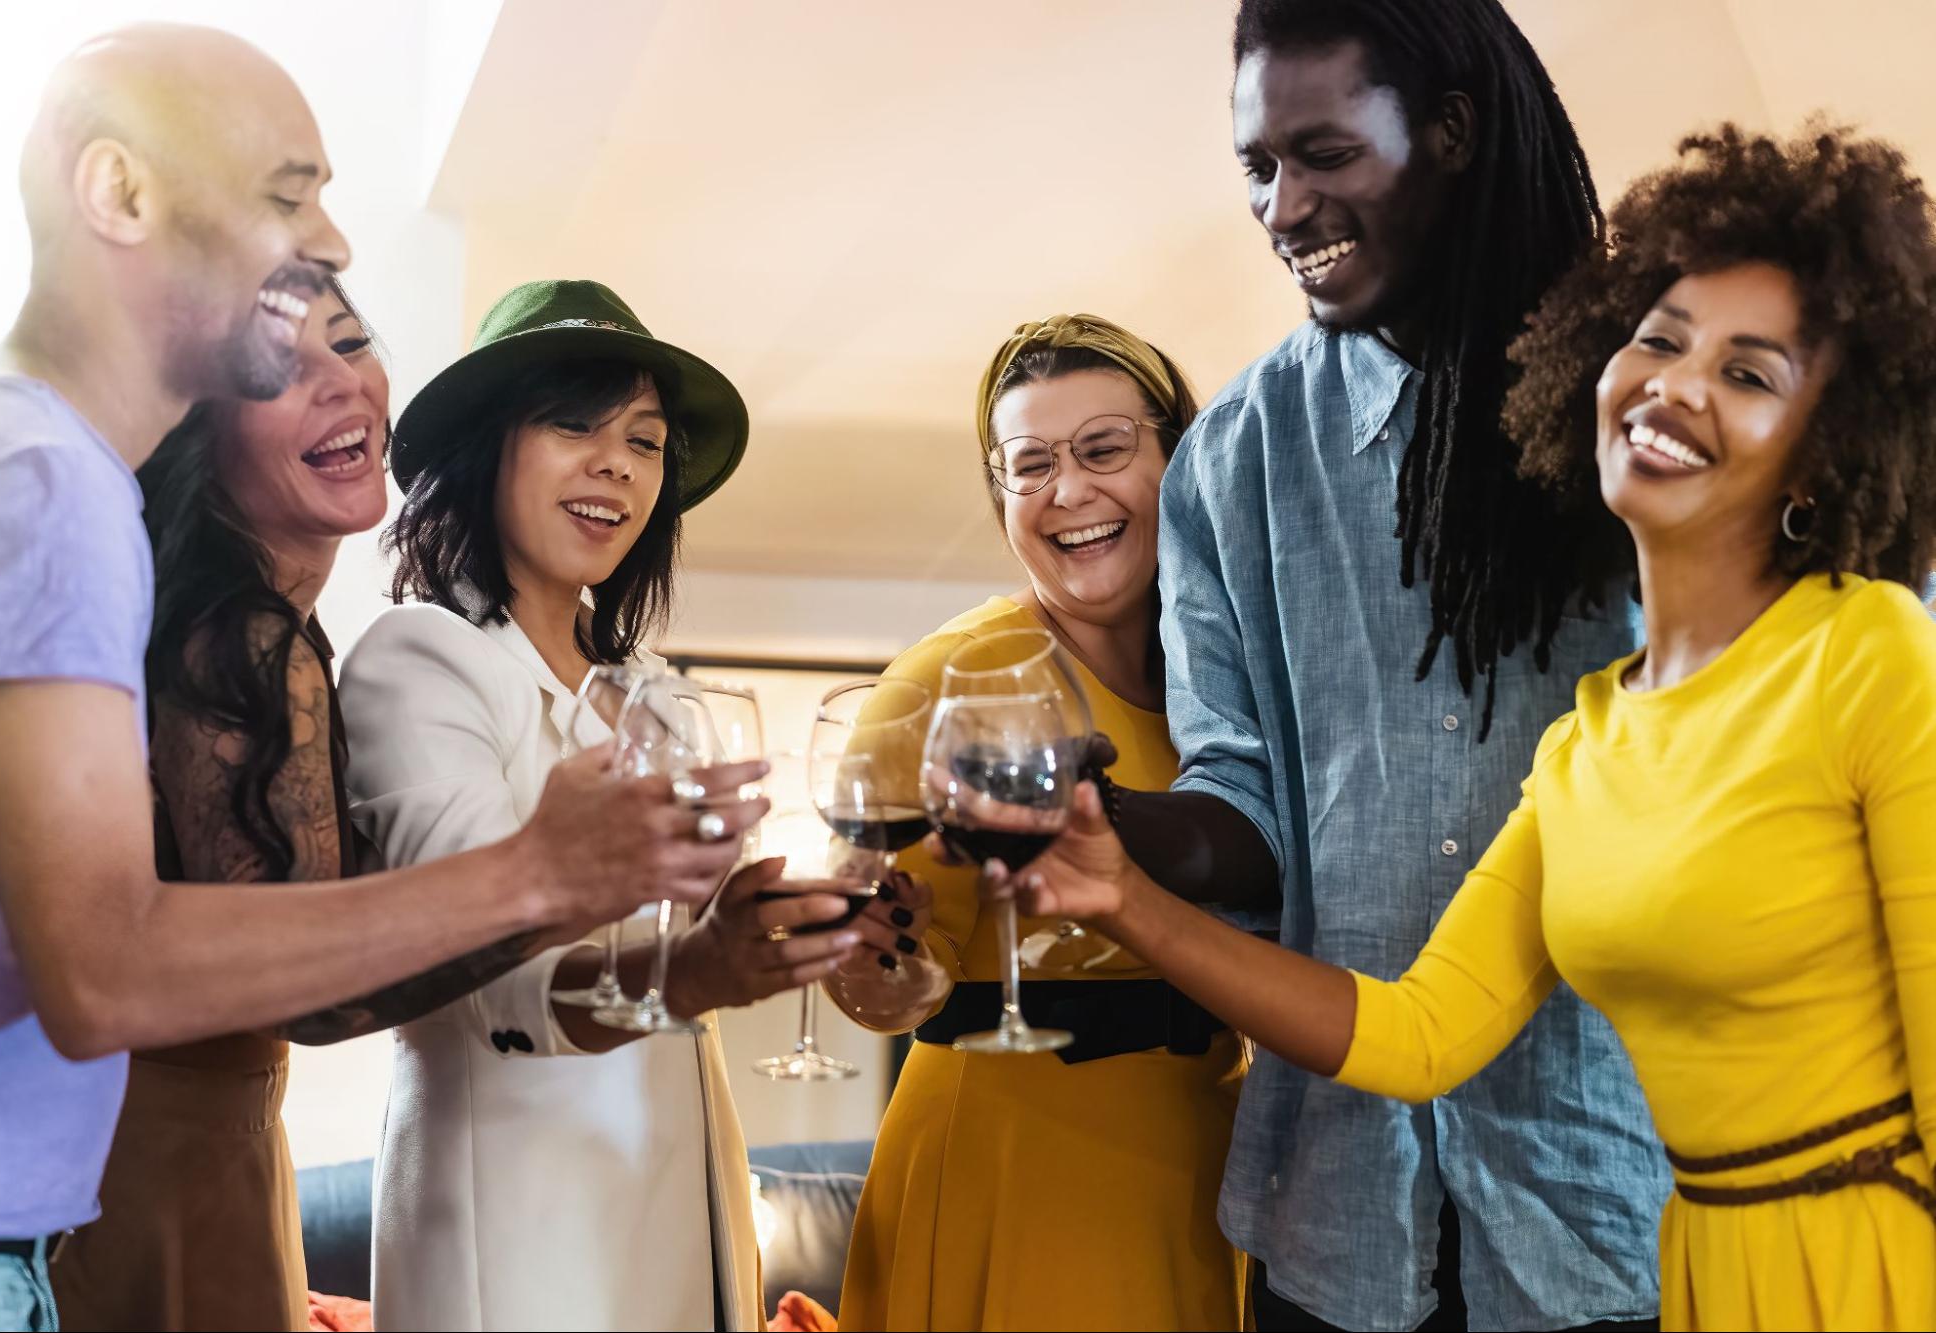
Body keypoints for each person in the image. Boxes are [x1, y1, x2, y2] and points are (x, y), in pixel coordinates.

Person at [1008, 123, 1936, 1332]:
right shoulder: (1594, 740)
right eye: (1658, 338)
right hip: (1696, 1267)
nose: (1674, 384)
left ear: (1828, 455)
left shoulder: (1869, 654)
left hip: (1866, 1263)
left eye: (1749, 373)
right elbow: (1419, 1030)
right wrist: (1122, 896)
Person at [0, 30, 749, 1332]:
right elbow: (128, 972)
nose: (333, 245)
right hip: (66, 1204)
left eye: (354, 339)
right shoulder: (99, 520)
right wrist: (546, 876)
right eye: (286, 198)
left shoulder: (136, 555)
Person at [1034, 2, 1676, 1329]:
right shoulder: (1235, 458)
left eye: (1320, 153)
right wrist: (1114, 826)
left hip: (1619, 1201)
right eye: (1256, 169)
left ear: (1446, 131)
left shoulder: (1652, 403)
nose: (1280, 207)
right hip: (1334, 1218)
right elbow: (1250, 807)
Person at [339, 279, 868, 1332]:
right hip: (515, 1229)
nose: (616, 463)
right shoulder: (421, 658)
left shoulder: (655, 691)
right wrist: (698, 968)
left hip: (682, 1211)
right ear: (488, 445)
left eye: (645, 440)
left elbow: (707, 926)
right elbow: (483, 968)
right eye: (572, 424)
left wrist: (804, 921)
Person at [828, 314, 1249, 1332]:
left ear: (1176, 458)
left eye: (1104, 449)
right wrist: (879, 956)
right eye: (1030, 466)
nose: (1069, 492)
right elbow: (879, 982)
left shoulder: (1238, 679)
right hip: (1005, 1169)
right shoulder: (943, 682)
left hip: (1208, 1169)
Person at [50, 282, 389, 1330]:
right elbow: (304, 986)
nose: (341, 383)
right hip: (157, 1166)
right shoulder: (241, 635)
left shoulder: (230, 619)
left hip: (198, 1144)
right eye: (277, 370)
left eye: (351, 342)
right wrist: (560, 886)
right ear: (200, 428)